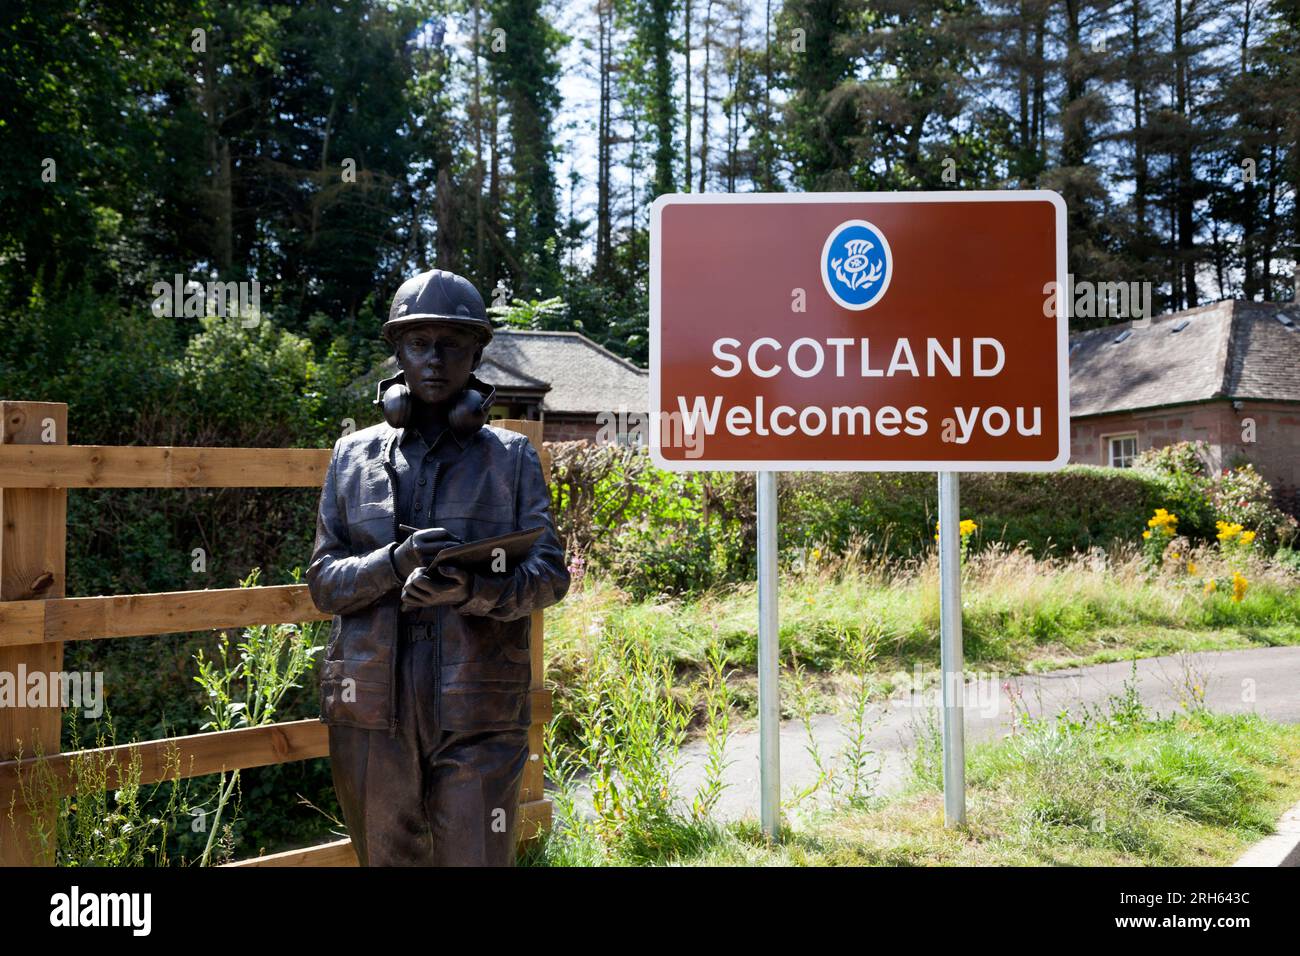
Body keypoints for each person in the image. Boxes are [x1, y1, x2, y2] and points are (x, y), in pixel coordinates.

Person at [305, 268, 570, 866]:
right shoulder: (352, 456)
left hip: (478, 704)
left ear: (476, 352)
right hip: (370, 703)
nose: (433, 359)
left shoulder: (511, 459)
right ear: (397, 350)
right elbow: (324, 583)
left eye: (451, 344)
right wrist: (393, 563)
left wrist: (473, 588)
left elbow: (550, 576)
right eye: (419, 343)